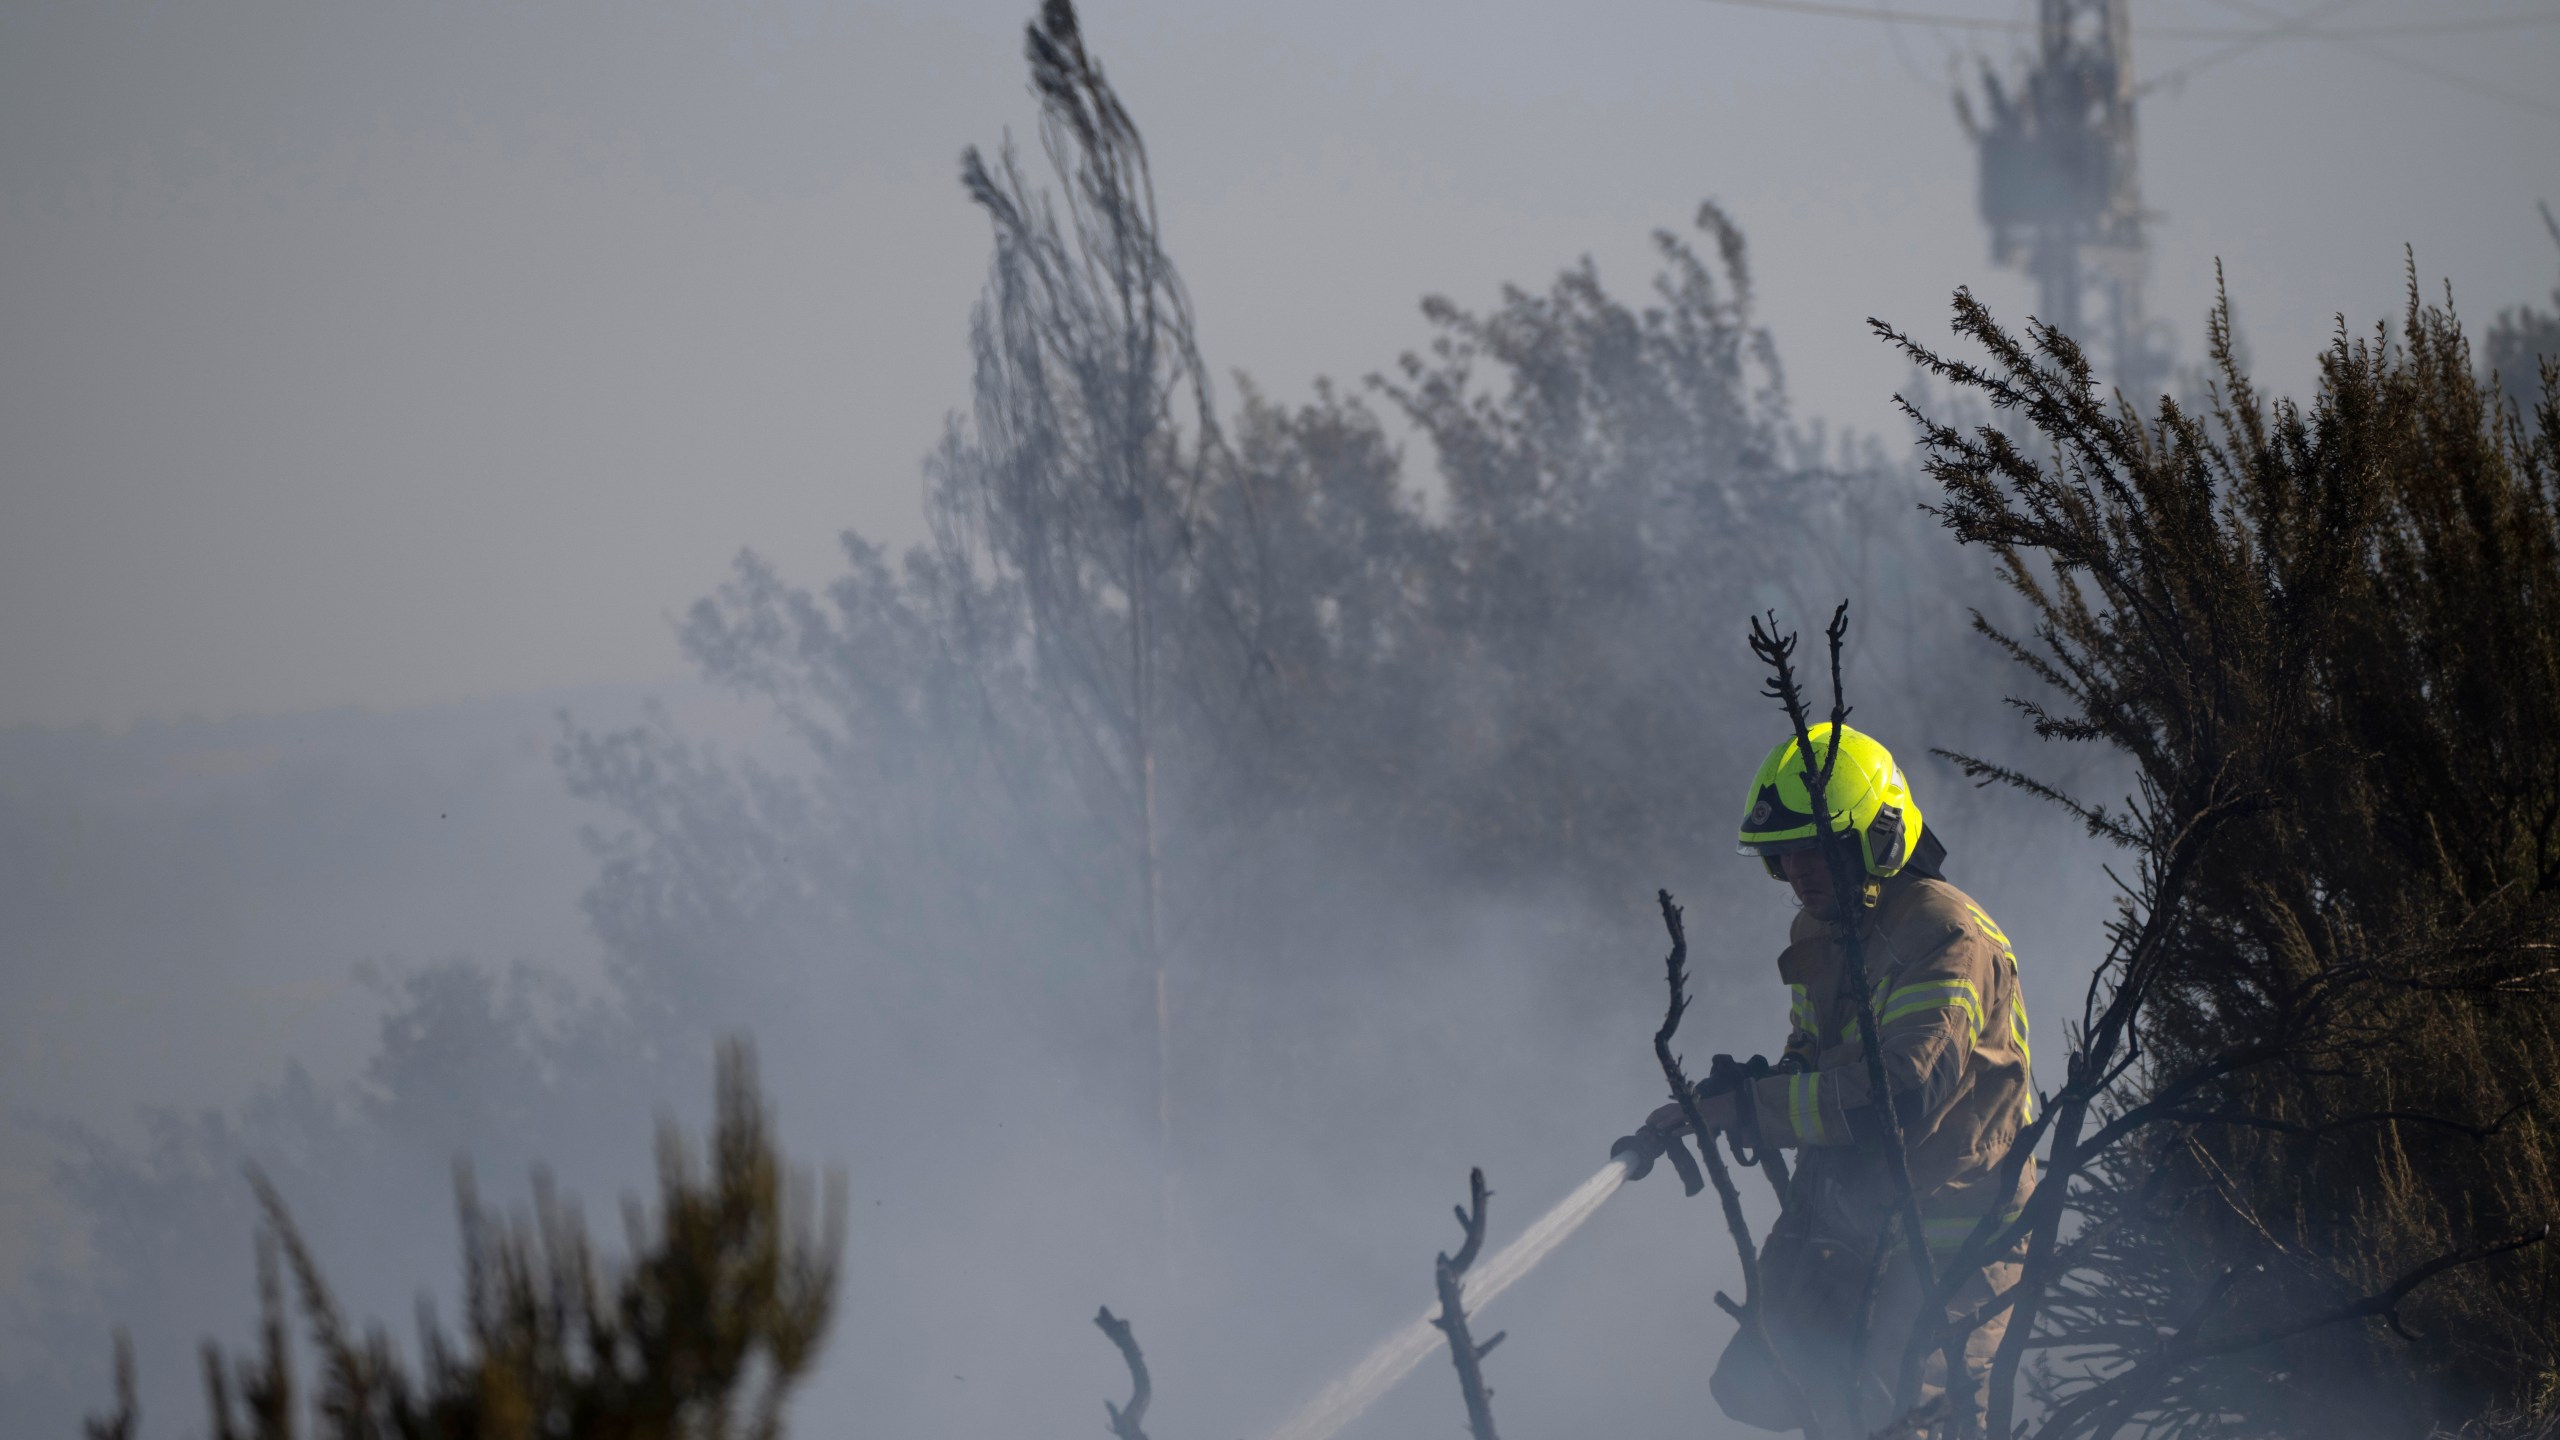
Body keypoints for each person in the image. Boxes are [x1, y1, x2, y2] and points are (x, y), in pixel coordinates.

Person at [1614, 723, 2036, 1438]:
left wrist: (1744, 1111)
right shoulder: (1823, 933)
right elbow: (1819, 1064)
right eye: (1785, 856)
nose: (1800, 873)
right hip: (1850, 1219)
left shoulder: (1944, 936)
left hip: (1948, 1239)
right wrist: (1735, 1093)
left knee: (1906, 1423)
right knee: (1777, 1388)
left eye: (1819, 850)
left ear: (1878, 836)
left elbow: (1897, 1097)